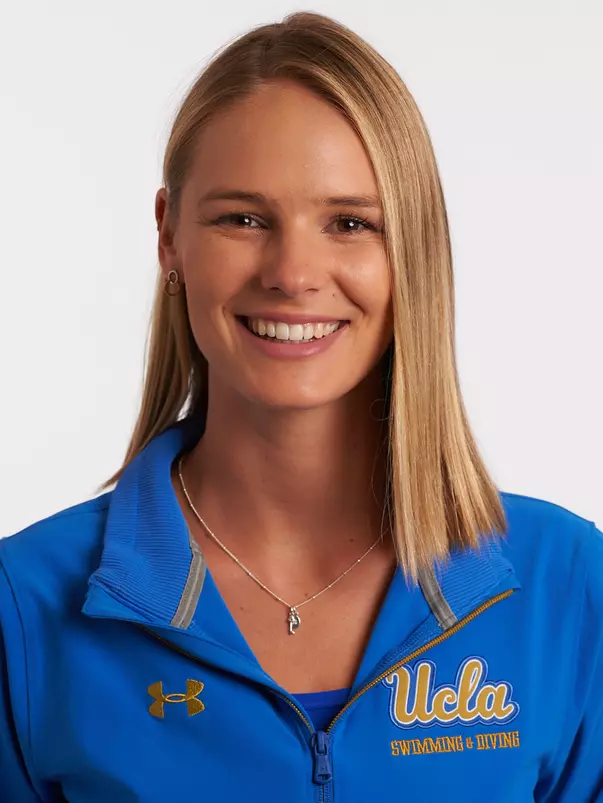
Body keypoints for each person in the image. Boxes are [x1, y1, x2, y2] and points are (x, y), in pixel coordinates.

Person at [1, 10, 601, 803]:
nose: (292, 272)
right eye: (243, 219)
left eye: (350, 223)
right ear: (168, 235)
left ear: (412, 251)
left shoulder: (565, 584)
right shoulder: (25, 605)